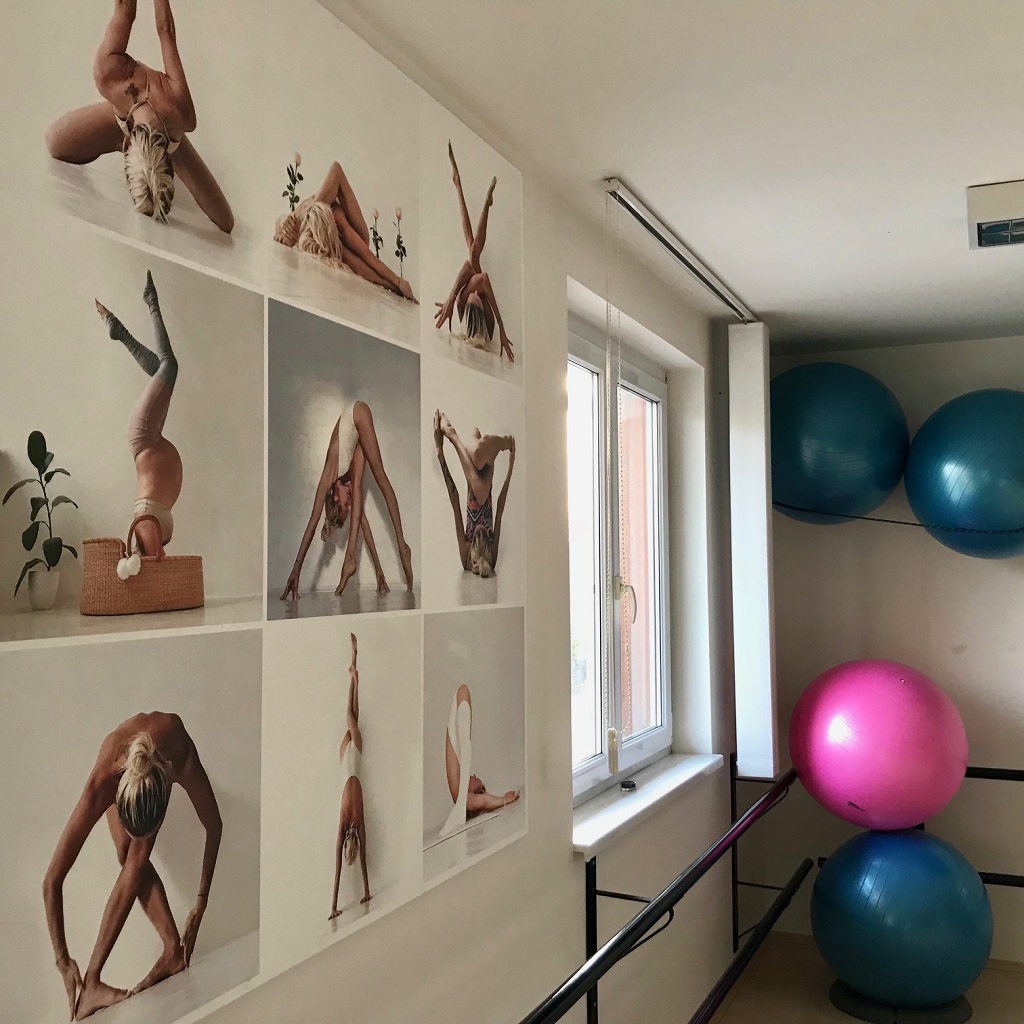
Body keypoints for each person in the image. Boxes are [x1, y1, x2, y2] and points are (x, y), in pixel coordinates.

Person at [42, 712, 222, 1020]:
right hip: (123, 763)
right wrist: (63, 959)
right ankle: (92, 985)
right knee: (128, 853)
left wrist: (201, 903)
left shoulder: (181, 756)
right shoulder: (101, 784)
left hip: (156, 763)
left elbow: (214, 826)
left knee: (135, 859)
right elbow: (52, 880)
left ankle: (172, 952)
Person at [45, 0, 233, 232]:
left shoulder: (108, 74)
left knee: (226, 221)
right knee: (54, 143)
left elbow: (125, 9)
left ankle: (147, 156)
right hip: (138, 123)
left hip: (162, 135)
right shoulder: (182, 114)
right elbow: (165, 31)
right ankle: (142, 157)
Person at [281, 400, 414, 600]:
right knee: (358, 489)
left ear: (335, 497)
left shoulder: (328, 477)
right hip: (355, 432)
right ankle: (350, 558)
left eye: (345, 504)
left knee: (381, 479)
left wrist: (296, 568)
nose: (349, 501)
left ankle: (402, 547)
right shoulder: (347, 483)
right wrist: (379, 569)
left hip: (356, 413)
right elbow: (362, 524)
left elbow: (311, 525)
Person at [95, 270, 181, 559]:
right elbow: (158, 560)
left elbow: (154, 564)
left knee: (169, 366)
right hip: (151, 439)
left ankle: (150, 302)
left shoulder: (143, 524)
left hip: (144, 437)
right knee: (161, 367)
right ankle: (118, 330)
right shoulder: (148, 531)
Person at [273, 161, 417, 303]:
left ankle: (304, 223)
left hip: (334, 226)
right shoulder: (332, 239)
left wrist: (398, 282)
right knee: (336, 246)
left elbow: (367, 257)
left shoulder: (325, 219)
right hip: (334, 232)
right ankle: (304, 228)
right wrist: (394, 284)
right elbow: (364, 261)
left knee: (335, 171)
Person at [434, 143, 514, 362]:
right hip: (483, 316)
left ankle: (459, 186)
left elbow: (469, 268)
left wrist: (452, 298)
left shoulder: (463, 304)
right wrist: (501, 326)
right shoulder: (489, 323)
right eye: (478, 296)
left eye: (473, 295)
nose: (475, 293)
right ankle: (479, 199)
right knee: (473, 250)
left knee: (472, 252)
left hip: (459, 298)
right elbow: (483, 278)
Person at [433, 410, 515, 578]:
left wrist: (440, 452)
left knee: (477, 445)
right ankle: (454, 436)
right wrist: (511, 466)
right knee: (480, 485)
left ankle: (458, 436)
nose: (479, 528)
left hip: (473, 477)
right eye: (484, 532)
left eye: (476, 533)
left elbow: (455, 501)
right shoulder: (492, 557)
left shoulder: (466, 557)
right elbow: (499, 510)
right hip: (486, 478)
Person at [440, 684, 520, 839]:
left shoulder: (462, 797)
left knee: (462, 693)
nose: (475, 775)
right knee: (462, 693)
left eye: (478, 783)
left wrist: (502, 800)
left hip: (466, 796)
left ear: (474, 793)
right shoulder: (460, 792)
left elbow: (483, 801)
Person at [330, 633, 372, 919]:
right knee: (350, 712)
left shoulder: (347, 822)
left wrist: (334, 906)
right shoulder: (353, 820)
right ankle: (354, 671)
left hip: (346, 760)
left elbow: (339, 869)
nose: (346, 844)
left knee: (353, 714)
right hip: (353, 756)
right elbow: (362, 861)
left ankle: (355, 672)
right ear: (350, 844)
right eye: (348, 846)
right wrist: (365, 890)